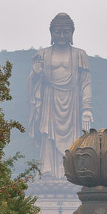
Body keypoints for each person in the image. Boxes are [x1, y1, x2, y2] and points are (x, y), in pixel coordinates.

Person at [28, 13, 93, 179]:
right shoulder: (43, 54)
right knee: (48, 135)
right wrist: (36, 75)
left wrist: (86, 109)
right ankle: (47, 170)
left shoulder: (80, 54)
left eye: (66, 32)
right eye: (58, 32)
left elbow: (86, 83)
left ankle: (68, 171)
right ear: (51, 33)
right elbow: (33, 82)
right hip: (49, 100)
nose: (62, 36)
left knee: (73, 138)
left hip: (72, 102)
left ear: (72, 33)